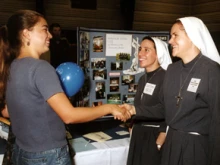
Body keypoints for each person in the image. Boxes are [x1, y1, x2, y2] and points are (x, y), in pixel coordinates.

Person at [0, 10, 131, 165]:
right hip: (48, 155)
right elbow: (69, 116)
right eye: (44, 29)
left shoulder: (11, 67)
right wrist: (109, 108)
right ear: (27, 34)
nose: (49, 35)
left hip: (22, 152)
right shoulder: (41, 68)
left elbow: (9, 111)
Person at [123, 17, 220, 165]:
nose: (170, 41)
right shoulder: (172, 70)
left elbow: (217, 123)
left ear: (192, 36)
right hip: (172, 144)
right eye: (170, 36)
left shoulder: (212, 71)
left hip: (197, 148)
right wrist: (135, 109)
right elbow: (164, 110)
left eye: (175, 35)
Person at [126, 36, 172, 165]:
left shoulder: (166, 77)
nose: (140, 53)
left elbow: (167, 109)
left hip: (154, 135)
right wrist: (132, 123)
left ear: (158, 54)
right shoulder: (142, 79)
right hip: (139, 134)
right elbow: (141, 105)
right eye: (140, 49)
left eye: (147, 50)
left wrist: (163, 133)